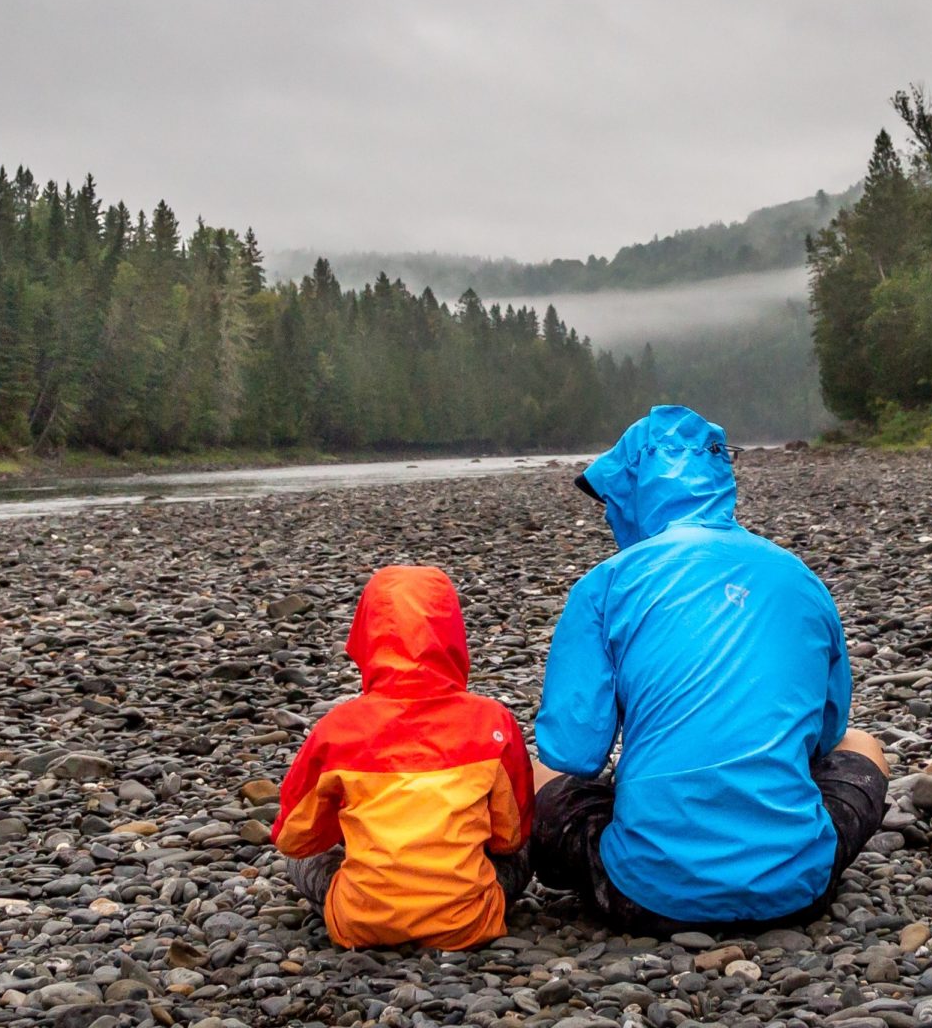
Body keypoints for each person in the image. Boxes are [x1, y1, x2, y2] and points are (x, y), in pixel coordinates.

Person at [530, 405, 888, 934]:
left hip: (647, 895)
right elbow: (829, 734)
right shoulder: (800, 578)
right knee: (865, 745)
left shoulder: (605, 586)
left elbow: (572, 754)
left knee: (533, 770)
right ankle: (775, 844)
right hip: (795, 889)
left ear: (632, 493)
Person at [271, 564, 534, 950]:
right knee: (528, 842)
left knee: (301, 860)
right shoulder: (492, 721)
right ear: (453, 635)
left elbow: (293, 839)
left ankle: (375, 897)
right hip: (468, 922)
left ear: (365, 633)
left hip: (361, 922)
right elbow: (510, 838)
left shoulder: (337, 729)